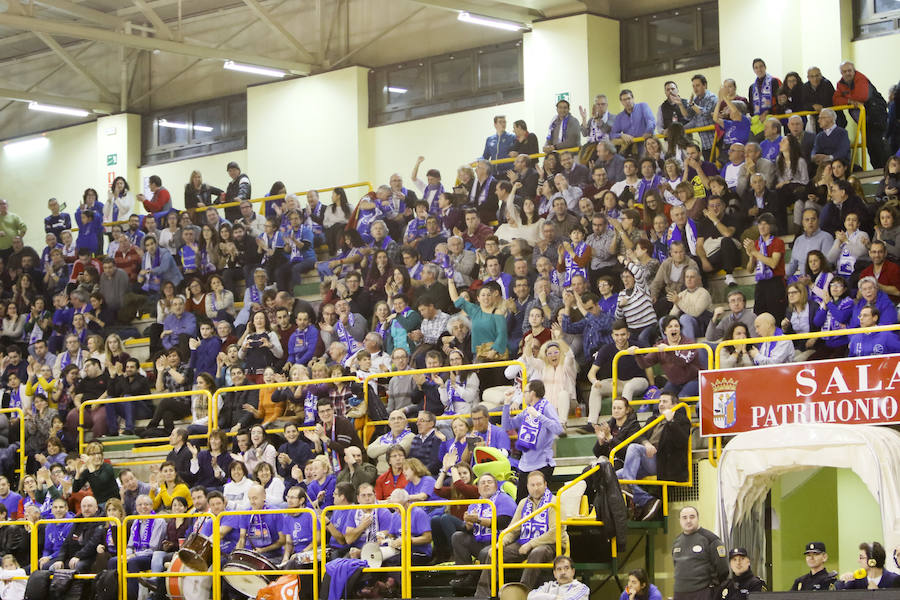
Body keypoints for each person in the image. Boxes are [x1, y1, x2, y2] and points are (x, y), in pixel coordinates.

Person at [474, 470, 563, 598]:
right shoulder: (523, 503)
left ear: (545, 485)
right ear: (527, 487)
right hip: (524, 541)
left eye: (539, 484)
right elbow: (513, 529)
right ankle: (483, 595)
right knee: (494, 553)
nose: (536, 488)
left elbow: (555, 533)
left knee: (537, 552)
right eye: (532, 485)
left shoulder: (554, 502)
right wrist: (500, 544)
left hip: (551, 544)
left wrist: (531, 544)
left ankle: (521, 593)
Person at [502, 381, 562, 502]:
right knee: (521, 502)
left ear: (533, 393)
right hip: (525, 465)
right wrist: (507, 404)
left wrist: (539, 416)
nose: (523, 395)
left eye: (525, 392)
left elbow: (558, 429)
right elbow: (507, 426)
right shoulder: (527, 410)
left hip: (542, 464)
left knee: (540, 503)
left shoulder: (546, 407)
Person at [834, 61, 889, 169]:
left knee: (879, 147)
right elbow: (835, 100)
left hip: (877, 119)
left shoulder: (861, 78)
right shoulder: (840, 84)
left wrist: (845, 98)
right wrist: (850, 101)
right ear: (841, 73)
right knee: (870, 147)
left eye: (849, 70)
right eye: (844, 71)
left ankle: (886, 172)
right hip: (865, 122)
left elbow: (862, 96)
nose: (847, 73)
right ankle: (878, 171)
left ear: (854, 70)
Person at [672, 506, 729, 600]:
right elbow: (676, 566)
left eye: (692, 517)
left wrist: (714, 590)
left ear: (698, 518)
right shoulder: (677, 542)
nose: (688, 520)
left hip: (703, 592)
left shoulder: (711, 539)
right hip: (680, 593)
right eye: (684, 517)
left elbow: (722, 569)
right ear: (680, 520)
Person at [836, 541, 900, 589]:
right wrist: (842, 580)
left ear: (872, 561)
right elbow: (838, 593)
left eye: (861, 557)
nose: (858, 561)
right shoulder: (857, 580)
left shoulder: (894, 580)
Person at [611, 90, 656, 156]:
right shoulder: (619, 117)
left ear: (633, 98)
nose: (627, 102)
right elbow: (612, 134)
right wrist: (622, 135)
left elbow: (651, 121)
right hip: (630, 146)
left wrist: (648, 131)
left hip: (646, 143)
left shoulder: (643, 106)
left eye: (628, 98)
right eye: (624, 100)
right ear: (621, 102)